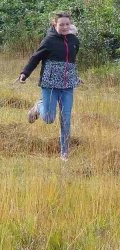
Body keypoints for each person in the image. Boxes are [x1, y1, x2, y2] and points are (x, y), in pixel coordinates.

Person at [19, 12, 80, 161]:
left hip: (67, 86)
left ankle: (64, 153)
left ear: (70, 25)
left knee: (66, 118)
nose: (65, 27)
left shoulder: (74, 40)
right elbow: (36, 57)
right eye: (61, 24)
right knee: (48, 118)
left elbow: (71, 60)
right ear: (55, 25)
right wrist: (25, 73)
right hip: (50, 84)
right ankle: (39, 106)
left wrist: (75, 76)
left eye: (67, 24)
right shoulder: (49, 40)